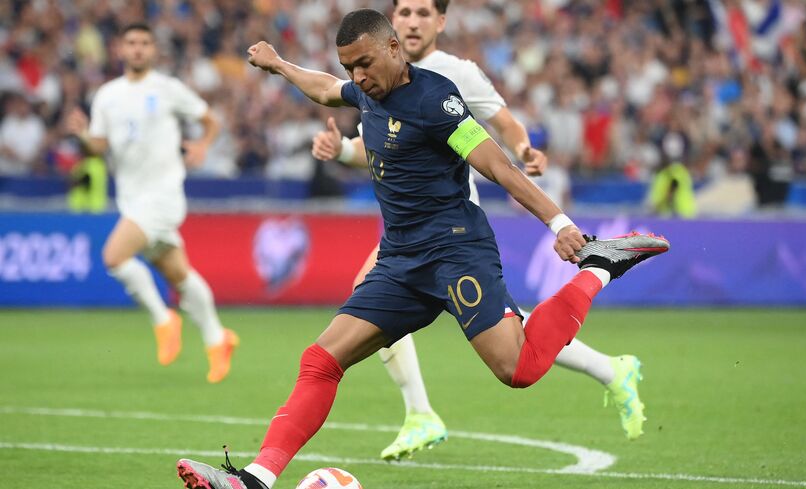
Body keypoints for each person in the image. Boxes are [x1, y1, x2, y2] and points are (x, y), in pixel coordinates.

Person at [175, 9, 668, 489]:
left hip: (455, 250)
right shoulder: (366, 93)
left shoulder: (438, 99)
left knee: (517, 369)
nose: (357, 76)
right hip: (399, 260)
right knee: (321, 359)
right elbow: (325, 89)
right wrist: (281, 65)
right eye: (350, 67)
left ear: (393, 48)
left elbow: (496, 165)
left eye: (364, 63)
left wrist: (559, 223)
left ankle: (600, 266)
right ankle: (256, 480)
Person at [312, 0, 650, 461]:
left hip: (452, 224)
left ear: (441, 22)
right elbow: (378, 148)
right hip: (408, 226)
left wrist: (525, 150)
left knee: (507, 347)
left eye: (423, 12)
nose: (413, 20)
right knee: (506, 331)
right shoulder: (369, 74)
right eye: (405, 11)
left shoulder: (456, 74)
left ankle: (421, 413)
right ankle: (608, 370)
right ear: (392, 24)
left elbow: (502, 126)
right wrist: (341, 152)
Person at [64, 23, 238, 383]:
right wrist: (81, 136)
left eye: (144, 43)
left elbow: (210, 120)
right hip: (132, 198)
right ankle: (218, 339)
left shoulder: (167, 89)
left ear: (153, 49)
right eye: (131, 43)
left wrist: (203, 145)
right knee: (179, 275)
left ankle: (164, 320)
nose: (138, 49)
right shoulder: (107, 95)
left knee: (114, 257)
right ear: (120, 49)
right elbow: (97, 147)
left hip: (163, 194)